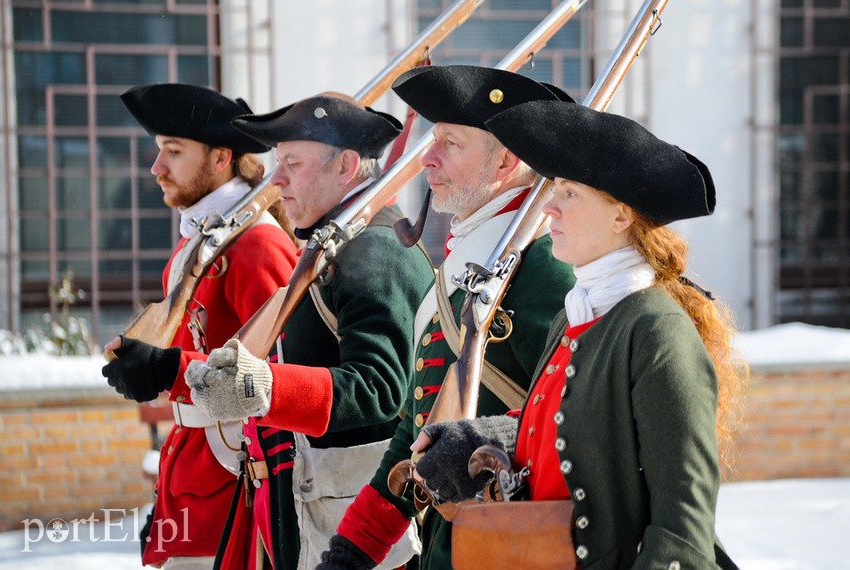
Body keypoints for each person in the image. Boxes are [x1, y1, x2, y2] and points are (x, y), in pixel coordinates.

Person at [407, 99, 747, 569]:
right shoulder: (575, 318)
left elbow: (682, 529)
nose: (550, 206)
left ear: (621, 215)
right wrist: (483, 436)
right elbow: (570, 426)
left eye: (569, 193)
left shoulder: (656, 331)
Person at [316, 66, 578, 570]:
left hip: (514, 547)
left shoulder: (546, 268)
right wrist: (354, 550)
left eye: (450, 144)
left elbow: (581, 419)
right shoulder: (463, 266)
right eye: (433, 140)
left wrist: (489, 438)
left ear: (506, 159)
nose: (427, 159)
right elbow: (414, 434)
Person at [182, 92, 435, 570]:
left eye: (293, 164)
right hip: (316, 505)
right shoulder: (335, 245)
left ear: (346, 166)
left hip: (362, 526)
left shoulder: (372, 253)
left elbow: (381, 389)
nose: (276, 180)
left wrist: (266, 388)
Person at [101, 83, 299, 569]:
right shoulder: (200, 242)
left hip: (233, 477)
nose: (157, 167)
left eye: (173, 151)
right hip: (189, 470)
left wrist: (167, 369)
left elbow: (278, 373)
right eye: (158, 151)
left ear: (221, 158)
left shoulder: (257, 246)